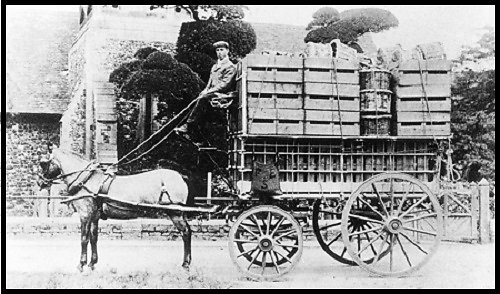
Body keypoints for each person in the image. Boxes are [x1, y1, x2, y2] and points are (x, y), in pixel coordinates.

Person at [175, 41, 237, 141]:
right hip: (212, 93)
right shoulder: (214, 67)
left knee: (204, 98)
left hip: (222, 95)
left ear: (227, 51)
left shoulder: (231, 67)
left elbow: (225, 85)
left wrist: (208, 92)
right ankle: (188, 130)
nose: (219, 52)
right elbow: (209, 82)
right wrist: (205, 90)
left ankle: (188, 125)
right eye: (217, 50)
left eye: (222, 50)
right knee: (198, 98)